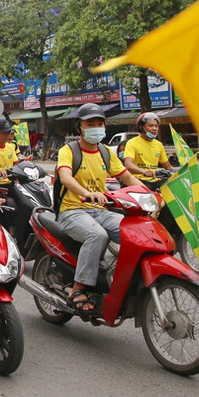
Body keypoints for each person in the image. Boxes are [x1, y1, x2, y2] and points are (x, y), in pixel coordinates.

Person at [55, 103, 142, 313]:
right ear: (80, 128)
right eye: (90, 123)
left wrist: (148, 193)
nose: (96, 127)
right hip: (72, 211)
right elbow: (65, 177)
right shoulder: (68, 151)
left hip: (100, 211)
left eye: (99, 123)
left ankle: (122, 281)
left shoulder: (105, 152)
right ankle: (79, 287)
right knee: (97, 236)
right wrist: (86, 193)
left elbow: (127, 176)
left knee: (136, 233)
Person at [123, 112, 172, 191]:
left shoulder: (158, 145)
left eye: (156, 126)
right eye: (150, 126)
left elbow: (168, 167)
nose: (154, 129)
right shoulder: (132, 142)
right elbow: (128, 164)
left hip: (155, 181)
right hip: (138, 181)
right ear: (141, 127)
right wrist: (144, 171)